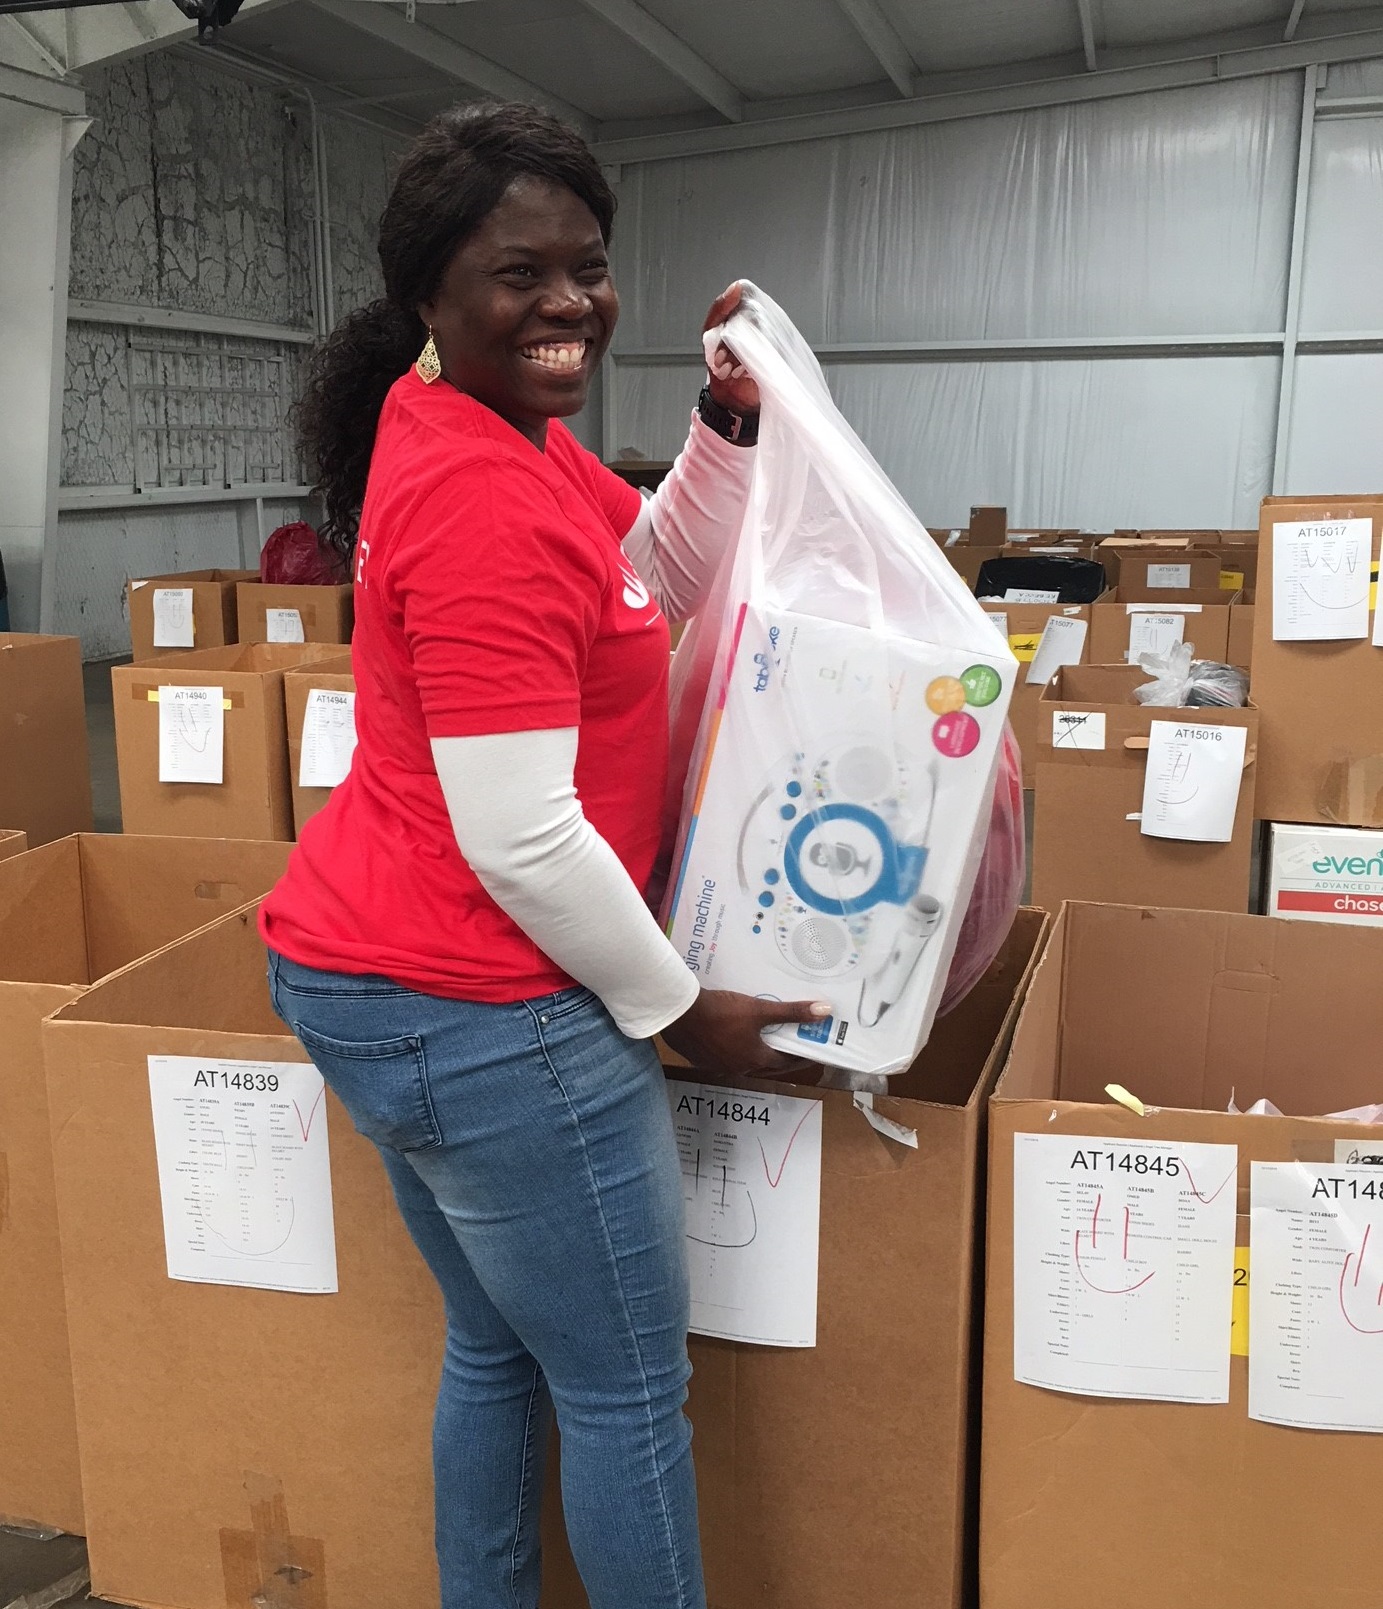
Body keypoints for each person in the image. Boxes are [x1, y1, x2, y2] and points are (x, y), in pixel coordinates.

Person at [260, 101, 826, 1609]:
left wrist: (725, 428)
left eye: (590, 264)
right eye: (523, 272)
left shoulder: (488, 430)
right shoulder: (478, 495)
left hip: (381, 967)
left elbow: (650, 576)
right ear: (431, 296)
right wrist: (676, 1002)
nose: (569, 301)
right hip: (482, 998)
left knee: (501, 1347)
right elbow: (521, 839)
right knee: (630, 1393)